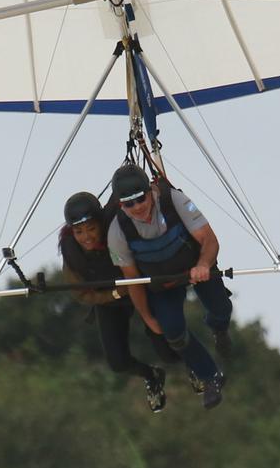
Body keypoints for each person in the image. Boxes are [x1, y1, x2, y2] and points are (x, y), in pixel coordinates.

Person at [107, 164, 232, 410]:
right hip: (163, 282)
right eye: (128, 204)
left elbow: (209, 239)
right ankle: (210, 377)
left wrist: (204, 264)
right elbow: (133, 282)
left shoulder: (175, 200)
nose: (137, 208)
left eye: (140, 199)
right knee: (172, 332)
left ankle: (218, 327)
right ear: (121, 206)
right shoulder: (117, 231)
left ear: (151, 191)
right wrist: (147, 317)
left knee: (221, 309)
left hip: (195, 268)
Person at [59, 191, 181, 413]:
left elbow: (130, 197)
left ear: (101, 224)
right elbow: (80, 293)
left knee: (167, 349)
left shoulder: (117, 228)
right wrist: (115, 294)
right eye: (79, 231)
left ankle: (195, 365)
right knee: (118, 362)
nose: (86, 236)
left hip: (141, 292)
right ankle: (151, 376)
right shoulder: (71, 250)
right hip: (110, 300)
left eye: (92, 229)